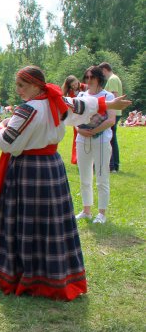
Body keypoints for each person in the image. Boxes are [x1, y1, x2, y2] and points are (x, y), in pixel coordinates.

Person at [0, 65, 130, 301]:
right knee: (51, 223)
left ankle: (26, 274)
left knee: (27, 222)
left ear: (35, 85)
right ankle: (54, 275)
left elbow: (8, 143)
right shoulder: (55, 99)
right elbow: (81, 107)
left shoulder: (28, 109)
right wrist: (108, 105)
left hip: (28, 170)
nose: (18, 90)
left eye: (22, 85)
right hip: (52, 167)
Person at [74, 66, 116, 224]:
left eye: (92, 77)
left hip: (101, 140)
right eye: (86, 77)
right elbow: (74, 117)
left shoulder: (108, 95)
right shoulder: (82, 95)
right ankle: (86, 210)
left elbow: (111, 120)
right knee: (85, 177)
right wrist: (79, 130)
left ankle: (102, 213)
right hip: (82, 140)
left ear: (99, 78)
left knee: (101, 177)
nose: (89, 80)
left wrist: (94, 131)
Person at [98, 62, 122, 172]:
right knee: (113, 139)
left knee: (110, 139)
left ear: (104, 69)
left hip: (113, 112)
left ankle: (112, 166)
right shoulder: (115, 78)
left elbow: (114, 97)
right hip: (116, 112)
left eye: (101, 71)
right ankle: (115, 165)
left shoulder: (112, 79)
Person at [61, 75, 82, 165]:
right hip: (75, 116)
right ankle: (76, 158)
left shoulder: (84, 88)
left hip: (83, 114)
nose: (75, 86)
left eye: (75, 84)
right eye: (72, 86)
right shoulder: (69, 92)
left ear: (78, 81)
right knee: (77, 136)